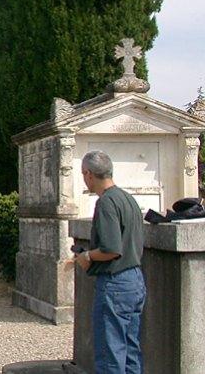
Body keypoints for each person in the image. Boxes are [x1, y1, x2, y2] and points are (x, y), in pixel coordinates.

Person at [75, 150, 145, 374]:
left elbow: (111, 249)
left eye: (83, 174)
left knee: (110, 354)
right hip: (135, 280)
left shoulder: (106, 203)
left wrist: (87, 256)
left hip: (115, 283)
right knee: (131, 353)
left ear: (88, 174)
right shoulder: (128, 199)